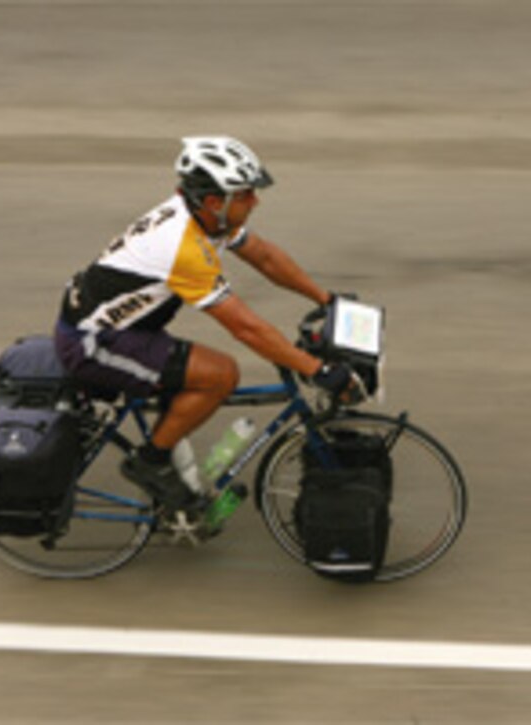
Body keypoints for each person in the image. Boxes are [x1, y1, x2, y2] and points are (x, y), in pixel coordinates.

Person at [55, 136, 355, 516]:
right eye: (246, 194)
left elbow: (264, 257)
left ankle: (172, 454)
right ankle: (149, 461)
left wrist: (326, 299)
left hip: (127, 328)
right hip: (93, 343)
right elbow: (245, 327)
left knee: (194, 371)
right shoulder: (184, 248)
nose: (255, 201)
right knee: (219, 374)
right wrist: (316, 369)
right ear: (216, 201)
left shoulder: (203, 215)